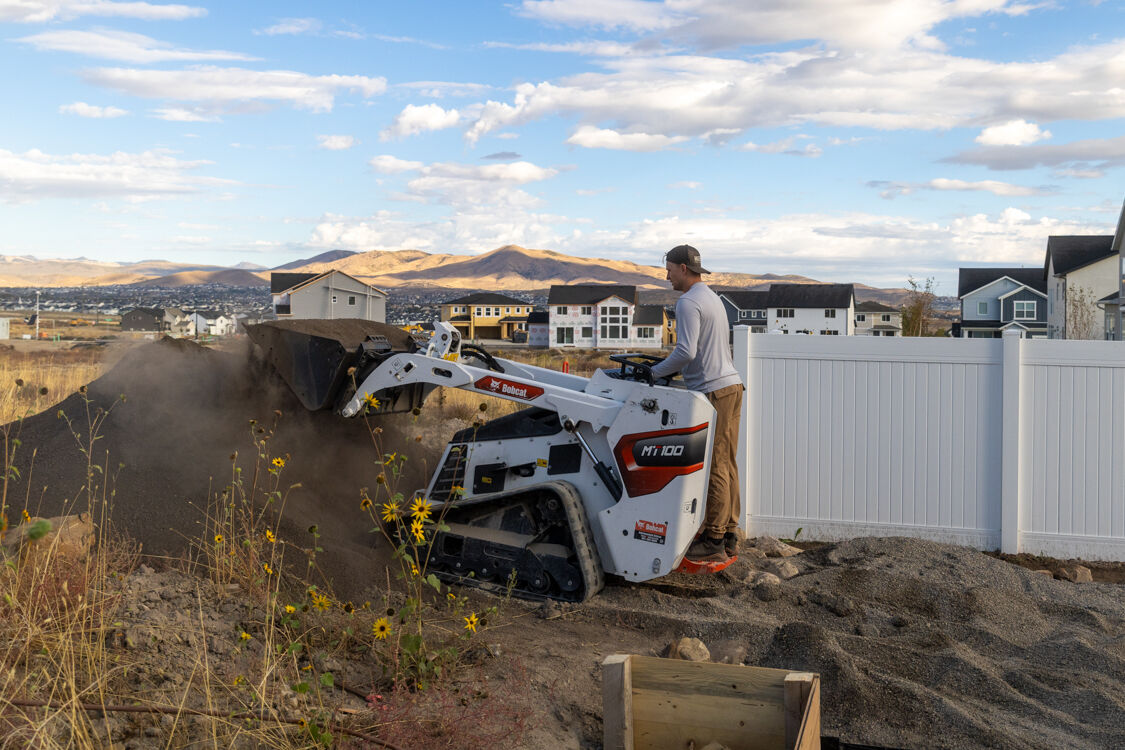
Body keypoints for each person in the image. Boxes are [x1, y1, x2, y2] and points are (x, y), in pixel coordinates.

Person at [649, 245, 744, 563]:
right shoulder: (710, 297)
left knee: (717, 463)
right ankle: (730, 531)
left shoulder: (689, 302)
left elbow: (686, 352)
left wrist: (654, 372)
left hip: (714, 390)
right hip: (732, 385)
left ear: (683, 269)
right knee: (728, 462)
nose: (667, 276)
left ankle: (714, 538)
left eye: (670, 270)